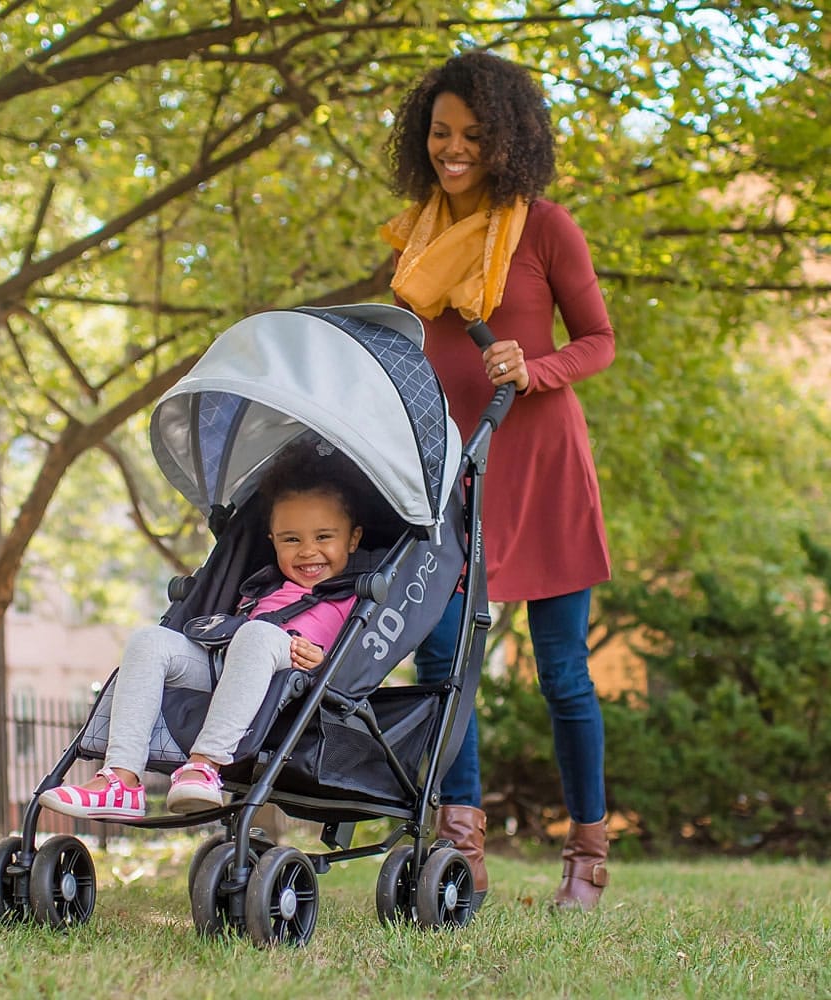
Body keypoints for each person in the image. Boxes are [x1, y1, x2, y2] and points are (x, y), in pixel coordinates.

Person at [381, 49, 615, 911]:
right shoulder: (417, 240)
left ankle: (587, 855)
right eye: (441, 133)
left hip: (544, 464)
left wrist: (538, 365)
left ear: (506, 139)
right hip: (453, 469)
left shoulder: (545, 227)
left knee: (563, 674)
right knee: (442, 657)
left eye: (473, 135)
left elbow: (599, 339)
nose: (454, 149)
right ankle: (461, 843)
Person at [40, 443, 363, 819]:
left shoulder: (352, 597)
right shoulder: (262, 585)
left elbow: (358, 665)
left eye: (324, 537)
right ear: (273, 540)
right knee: (150, 640)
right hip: (226, 665)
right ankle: (122, 778)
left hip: (292, 674)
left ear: (352, 539)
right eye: (292, 539)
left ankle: (204, 765)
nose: (308, 551)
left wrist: (324, 662)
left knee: (257, 634)